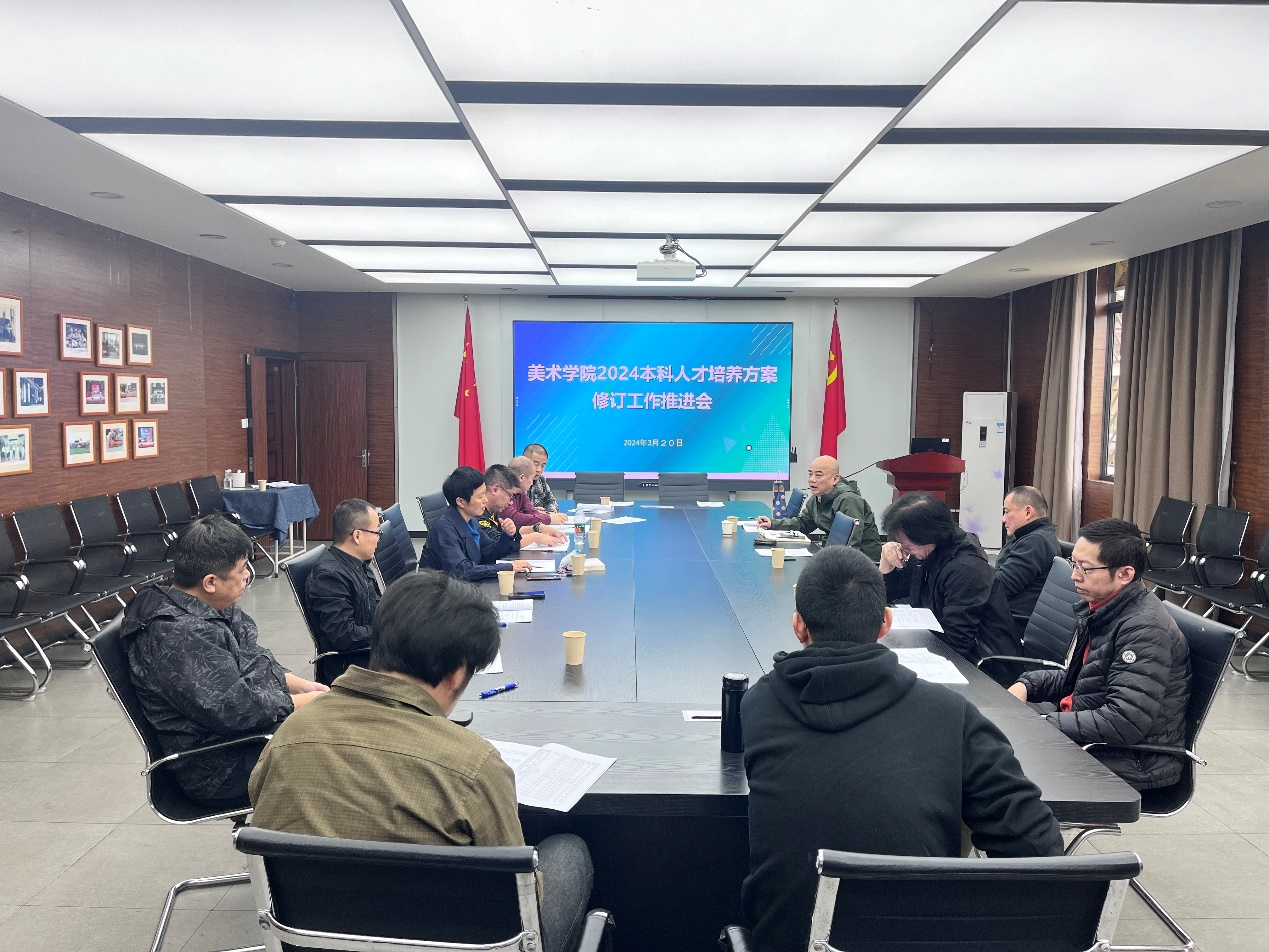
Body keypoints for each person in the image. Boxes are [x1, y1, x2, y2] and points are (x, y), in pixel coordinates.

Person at [250, 571, 595, 952]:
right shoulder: (474, 765)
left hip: (314, 940)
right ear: (457, 674)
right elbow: (517, 900)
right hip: (443, 942)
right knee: (568, 852)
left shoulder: (288, 736)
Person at [741, 546, 1062, 952]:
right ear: (886, 623)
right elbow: (1037, 849)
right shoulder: (951, 714)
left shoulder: (758, 705)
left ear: (798, 627)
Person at [120, 515, 328, 805]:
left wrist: (301, 686)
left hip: (245, 737)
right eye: (242, 570)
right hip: (219, 766)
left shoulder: (210, 605)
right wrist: (307, 703)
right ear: (210, 582)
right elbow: (238, 711)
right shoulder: (179, 634)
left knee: (348, 728)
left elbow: (252, 657)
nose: (247, 576)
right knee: (350, 751)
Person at [1008, 519, 1191, 791]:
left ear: (1125, 574)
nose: (1074, 575)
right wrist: (1027, 685)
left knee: (995, 770)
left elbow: (1124, 720)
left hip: (1130, 761)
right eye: (1073, 564)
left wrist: (1041, 723)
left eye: (1085, 568)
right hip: (1095, 740)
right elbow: (1087, 680)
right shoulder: (1106, 608)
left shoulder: (1144, 630)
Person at [879, 492, 1019, 664]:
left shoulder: (965, 570)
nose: (903, 549)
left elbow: (957, 644)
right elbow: (890, 596)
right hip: (938, 644)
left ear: (927, 535)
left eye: (907, 545)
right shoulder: (926, 553)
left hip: (984, 665)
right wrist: (886, 562)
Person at [756, 456, 882, 561]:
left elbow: (851, 545)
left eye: (818, 475)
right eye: (810, 474)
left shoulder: (849, 500)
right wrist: (773, 523)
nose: (812, 479)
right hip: (834, 553)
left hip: (864, 563)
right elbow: (803, 523)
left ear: (835, 479)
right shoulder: (818, 497)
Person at [304, 499, 381, 670]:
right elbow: (344, 635)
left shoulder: (357, 564)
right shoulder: (330, 576)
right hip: (352, 666)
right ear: (357, 536)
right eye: (376, 532)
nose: (378, 539)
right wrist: (390, 632)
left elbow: (375, 605)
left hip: (370, 653)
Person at [421, 466, 533, 581]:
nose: (485, 500)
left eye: (484, 494)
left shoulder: (470, 521)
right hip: (438, 589)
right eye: (480, 496)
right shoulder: (444, 529)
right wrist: (506, 568)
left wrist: (507, 535)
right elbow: (461, 571)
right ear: (461, 502)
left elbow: (489, 552)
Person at [997, 486, 1062, 627]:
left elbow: (1000, 587)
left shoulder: (1035, 542)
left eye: (1007, 512)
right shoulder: (1033, 536)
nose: (1003, 519)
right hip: (1005, 616)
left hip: (1010, 624)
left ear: (1027, 512)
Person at [488, 462, 570, 535]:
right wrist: (548, 519)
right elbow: (517, 518)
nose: (510, 502)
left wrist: (538, 526)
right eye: (532, 478)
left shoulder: (520, 493)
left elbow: (531, 511)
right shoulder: (497, 505)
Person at [524, 443, 563, 518]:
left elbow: (551, 501)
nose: (539, 470)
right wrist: (532, 512)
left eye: (543, 466)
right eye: (536, 464)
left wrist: (549, 513)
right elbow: (512, 513)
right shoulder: (516, 482)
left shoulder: (541, 480)